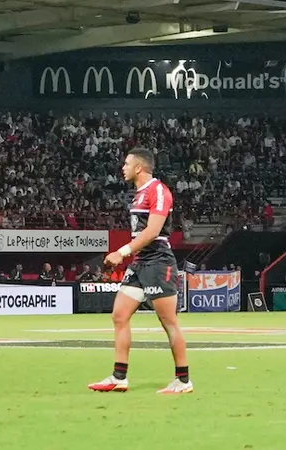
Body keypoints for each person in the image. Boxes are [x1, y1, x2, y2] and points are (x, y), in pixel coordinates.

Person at [88, 147, 191, 395]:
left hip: (159, 261)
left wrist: (121, 252)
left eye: (126, 164)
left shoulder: (158, 190)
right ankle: (119, 377)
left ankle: (183, 380)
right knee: (119, 315)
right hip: (141, 261)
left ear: (139, 168)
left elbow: (153, 232)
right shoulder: (137, 194)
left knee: (168, 322)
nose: (122, 168)